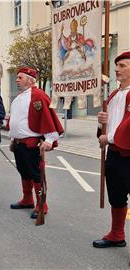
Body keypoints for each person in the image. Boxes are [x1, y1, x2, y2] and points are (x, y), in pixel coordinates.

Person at [9, 67, 64, 219]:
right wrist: (13, 139)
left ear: (30, 79)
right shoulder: (19, 97)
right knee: (24, 172)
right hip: (19, 144)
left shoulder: (38, 95)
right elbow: (19, 120)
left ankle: (42, 204)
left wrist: (50, 139)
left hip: (32, 144)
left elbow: (47, 117)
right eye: (17, 77)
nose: (17, 79)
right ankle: (27, 199)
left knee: (36, 175)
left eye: (20, 77)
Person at [93, 51, 130, 248]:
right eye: (117, 66)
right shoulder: (115, 94)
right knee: (116, 196)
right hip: (114, 153)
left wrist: (110, 137)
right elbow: (111, 124)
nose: (117, 69)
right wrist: (102, 125)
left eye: (122, 65)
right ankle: (117, 234)